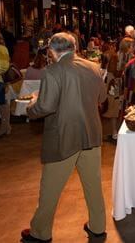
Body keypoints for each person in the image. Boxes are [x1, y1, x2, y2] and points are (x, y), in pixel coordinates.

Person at [20, 33, 107, 242]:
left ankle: (40, 233)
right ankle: (97, 226)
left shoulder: (53, 70)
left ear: (51, 50)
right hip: (91, 133)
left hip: (64, 136)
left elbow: (46, 106)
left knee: (50, 188)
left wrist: (32, 105)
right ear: (74, 47)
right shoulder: (93, 67)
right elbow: (102, 97)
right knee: (93, 184)